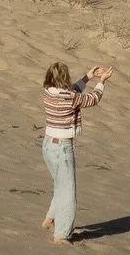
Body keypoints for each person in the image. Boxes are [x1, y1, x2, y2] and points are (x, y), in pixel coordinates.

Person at [40, 59, 114, 245]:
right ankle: (61, 234)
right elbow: (92, 99)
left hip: (48, 145)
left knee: (60, 184)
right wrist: (101, 81)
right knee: (68, 191)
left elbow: (72, 90)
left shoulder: (48, 92)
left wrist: (88, 77)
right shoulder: (69, 97)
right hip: (62, 148)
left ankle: (51, 218)